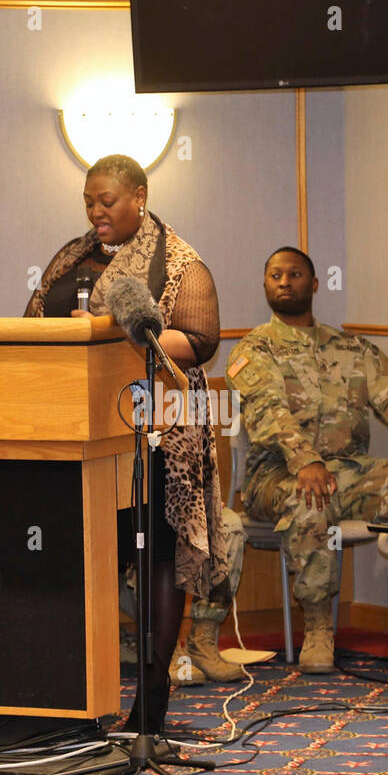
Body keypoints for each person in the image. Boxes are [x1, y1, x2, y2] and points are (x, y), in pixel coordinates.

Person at [24, 154, 242, 733]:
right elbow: (32, 324)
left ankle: (151, 701)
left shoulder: (180, 263)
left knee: (160, 564)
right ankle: (72, 702)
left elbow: (201, 340)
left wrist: (115, 337)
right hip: (85, 436)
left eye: (108, 201)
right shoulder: (70, 258)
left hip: (161, 434)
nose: (96, 211)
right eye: (89, 201)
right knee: (84, 560)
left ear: (139, 196)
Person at [226, 247, 388, 673]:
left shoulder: (353, 349)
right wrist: (305, 460)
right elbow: (267, 409)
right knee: (310, 499)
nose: (284, 282)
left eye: (294, 275)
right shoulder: (254, 349)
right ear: (265, 286)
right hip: (276, 477)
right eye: (275, 275)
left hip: (349, 472)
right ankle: (318, 628)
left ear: (313, 285)